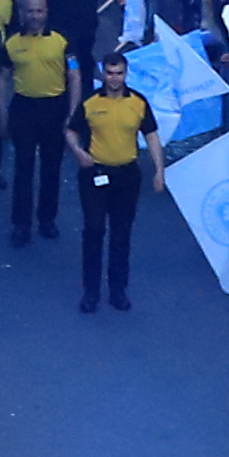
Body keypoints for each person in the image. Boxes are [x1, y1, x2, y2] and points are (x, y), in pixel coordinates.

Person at [71, 57, 159, 314]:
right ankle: (91, 292)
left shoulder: (138, 103)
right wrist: (78, 152)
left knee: (122, 233)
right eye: (110, 73)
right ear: (104, 74)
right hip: (96, 173)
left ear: (125, 74)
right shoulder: (91, 103)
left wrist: (159, 171)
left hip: (127, 175)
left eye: (119, 73)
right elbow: (71, 130)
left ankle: (118, 291)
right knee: (94, 230)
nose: (114, 79)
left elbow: (151, 135)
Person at [0, 0, 73, 245]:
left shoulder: (62, 41)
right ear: (22, 13)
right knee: (23, 168)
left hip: (54, 107)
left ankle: (47, 219)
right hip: (24, 107)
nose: (35, 16)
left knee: (52, 168)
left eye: (39, 10)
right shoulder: (12, 43)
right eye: (30, 10)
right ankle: (21, 224)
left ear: (46, 12)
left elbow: (74, 75)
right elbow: (3, 77)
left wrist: (72, 114)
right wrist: (2, 112)